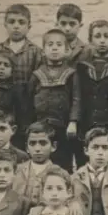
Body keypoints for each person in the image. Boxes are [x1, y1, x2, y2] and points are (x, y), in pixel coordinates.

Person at [25, 29, 80, 171]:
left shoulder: (71, 74)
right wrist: (30, 124)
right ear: (43, 51)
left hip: (63, 126)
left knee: (63, 161)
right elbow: (28, 101)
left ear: (66, 50)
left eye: (59, 45)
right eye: (50, 45)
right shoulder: (37, 75)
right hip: (40, 126)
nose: (54, 48)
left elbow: (76, 99)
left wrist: (73, 122)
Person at [76, 20, 108, 169]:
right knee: (86, 160)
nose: (102, 40)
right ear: (90, 40)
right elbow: (79, 95)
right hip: (88, 120)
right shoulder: (82, 66)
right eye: (97, 36)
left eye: (106, 36)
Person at [0, 4, 44, 148]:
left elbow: (39, 80)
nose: (16, 26)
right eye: (12, 22)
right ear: (5, 25)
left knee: (24, 137)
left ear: (29, 26)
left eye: (21, 22)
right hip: (4, 103)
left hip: (27, 104)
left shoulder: (36, 52)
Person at [13, 121, 66, 208]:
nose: (37, 148)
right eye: (32, 143)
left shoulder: (61, 174)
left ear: (53, 146)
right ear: (27, 147)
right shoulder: (16, 171)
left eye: (43, 143)